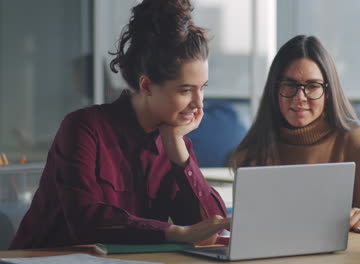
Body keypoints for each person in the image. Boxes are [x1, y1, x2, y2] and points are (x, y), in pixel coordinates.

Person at [10, 0, 230, 249]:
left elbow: (209, 229)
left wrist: (180, 156)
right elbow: (85, 221)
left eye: (202, 89)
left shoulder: (174, 144)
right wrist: (175, 233)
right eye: (185, 90)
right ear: (146, 85)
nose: (198, 104)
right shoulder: (84, 128)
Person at [229, 35, 360, 230]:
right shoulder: (254, 151)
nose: (300, 97)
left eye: (312, 86)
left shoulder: (357, 141)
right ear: (274, 89)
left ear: (328, 93)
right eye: (289, 85)